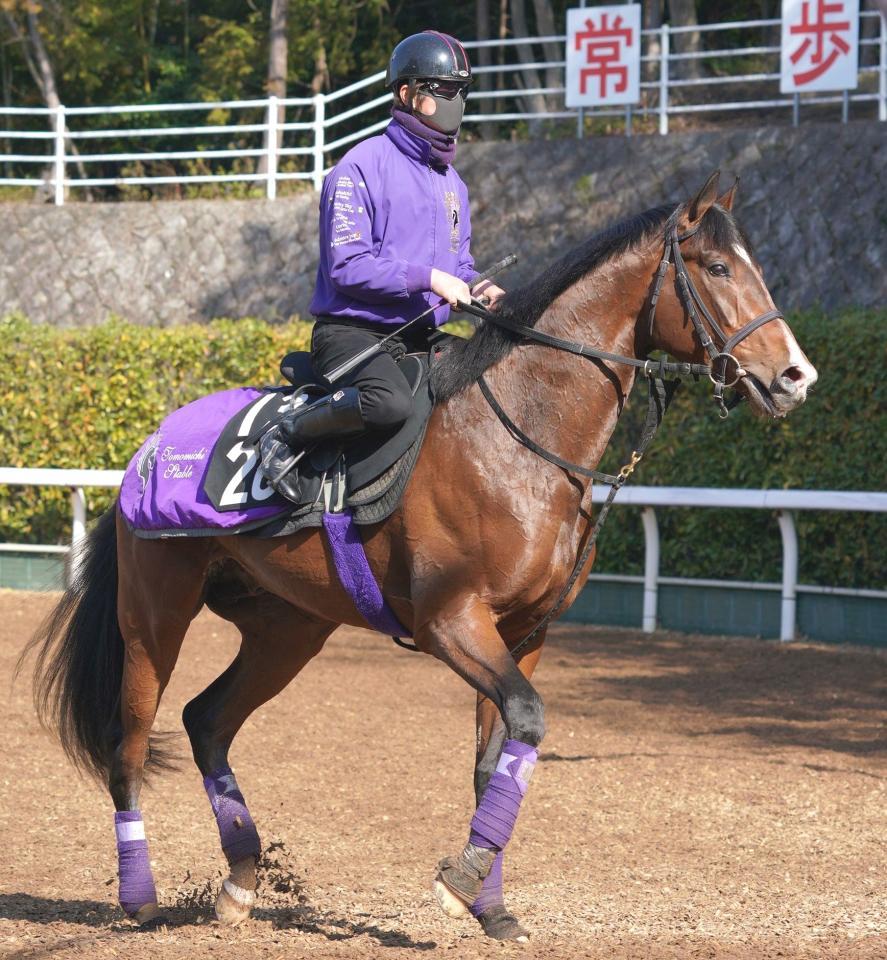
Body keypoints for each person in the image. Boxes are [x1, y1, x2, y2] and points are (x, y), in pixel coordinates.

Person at [265, 31, 504, 477]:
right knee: (389, 403)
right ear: (406, 93)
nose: (455, 101)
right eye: (443, 89)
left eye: (461, 91)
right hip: (352, 334)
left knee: (485, 384)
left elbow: (460, 266)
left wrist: (480, 287)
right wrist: (431, 279)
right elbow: (347, 266)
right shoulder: (358, 167)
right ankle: (289, 433)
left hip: (416, 335)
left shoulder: (454, 184)